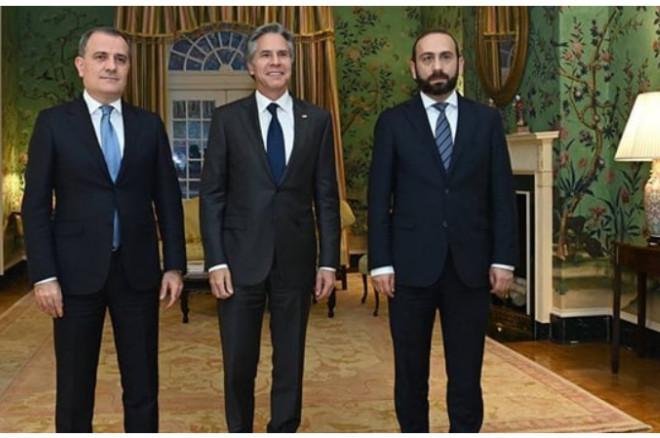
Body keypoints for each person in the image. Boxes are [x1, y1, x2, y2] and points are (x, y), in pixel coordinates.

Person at [21, 26, 186, 432]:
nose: (111, 66)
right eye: (101, 57)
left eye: (120, 59)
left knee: (142, 384)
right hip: (74, 276)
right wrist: (44, 275)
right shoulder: (53, 124)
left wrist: (174, 265)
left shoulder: (149, 125)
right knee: (74, 386)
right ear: (81, 65)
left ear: (128, 68)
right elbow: (35, 206)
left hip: (138, 273)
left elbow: (168, 200)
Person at [367, 29, 517, 433]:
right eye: (428, 58)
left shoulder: (487, 121)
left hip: (471, 268)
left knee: (466, 376)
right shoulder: (393, 123)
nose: (437, 66)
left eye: (445, 57)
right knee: (410, 374)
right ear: (413, 67)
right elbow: (378, 198)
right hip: (409, 269)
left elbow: (502, 195)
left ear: (459, 64)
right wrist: (380, 262)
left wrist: (504, 259)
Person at [199, 22, 340, 433]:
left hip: (296, 260)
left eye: (282, 54)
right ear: (251, 66)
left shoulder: (317, 119)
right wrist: (216, 261)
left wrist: (329, 261)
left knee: (290, 360)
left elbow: (326, 196)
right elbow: (212, 195)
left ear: (292, 63)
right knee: (238, 362)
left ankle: (284, 427)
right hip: (239, 260)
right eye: (266, 55)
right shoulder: (227, 120)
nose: (275, 62)